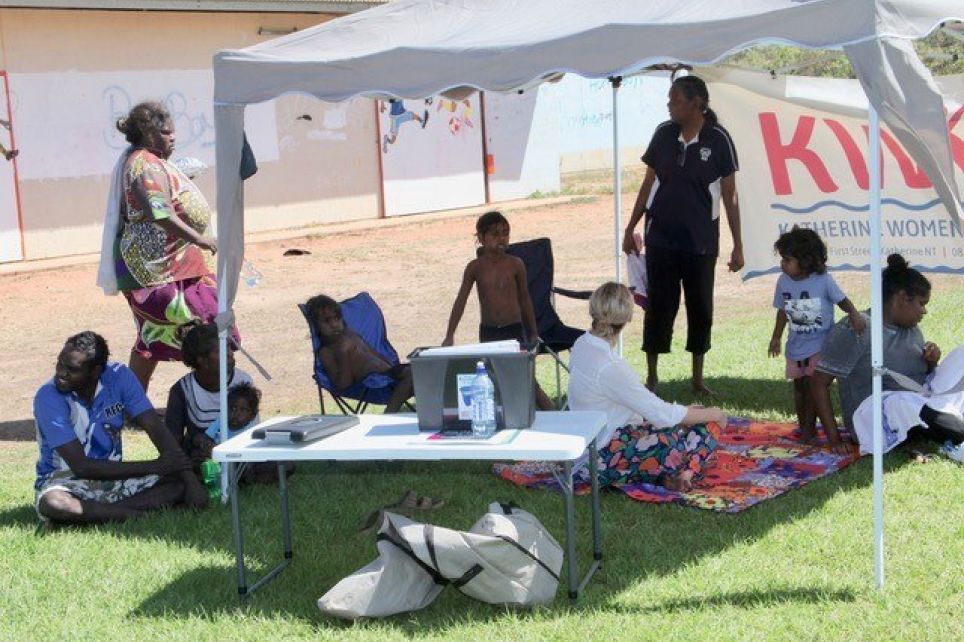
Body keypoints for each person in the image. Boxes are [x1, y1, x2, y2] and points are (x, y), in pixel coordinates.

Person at [97, 100, 237, 393]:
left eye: (173, 132)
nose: (172, 137)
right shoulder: (145, 166)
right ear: (147, 133)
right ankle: (220, 395)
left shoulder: (149, 162)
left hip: (173, 269)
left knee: (152, 336)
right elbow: (159, 213)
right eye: (165, 132)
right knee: (211, 323)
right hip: (157, 273)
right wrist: (200, 239)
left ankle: (136, 405)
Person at [621, 75, 743, 395]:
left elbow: (730, 196)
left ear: (696, 103)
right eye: (669, 99)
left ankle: (698, 379)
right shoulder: (663, 134)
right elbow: (648, 185)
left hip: (701, 242)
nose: (669, 105)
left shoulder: (718, 139)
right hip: (660, 238)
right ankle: (652, 376)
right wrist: (631, 226)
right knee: (660, 308)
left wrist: (737, 246)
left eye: (675, 100)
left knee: (700, 308)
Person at [33, 331, 207, 525]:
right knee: (54, 503)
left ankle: (100, 513)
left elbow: (156, 428)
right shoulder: (48, 397)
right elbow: (81, 467)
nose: (61, 373)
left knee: (179, 483)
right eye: (60, 363)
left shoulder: (119, 377)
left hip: (115, 479)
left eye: (72, 369)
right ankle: (133, 513)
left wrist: (190, 480)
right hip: (64, 481)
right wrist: (157, 466)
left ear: (96, 371)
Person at [568, 283, 727, 491]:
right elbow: (659, 413)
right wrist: (713, 413)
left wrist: (687, 412)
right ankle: (685, 473)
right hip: (598, 457)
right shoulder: (610, 366)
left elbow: (641, 407)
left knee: (685, 422)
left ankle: (667, 476)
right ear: (628, 318)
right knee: (695, 430)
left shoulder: (582, 344)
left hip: (586, 448)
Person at [812, 254, 964, 458]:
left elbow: (920, 376)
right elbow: (818, 383)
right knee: (900, 402)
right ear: (902, 298)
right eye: (921, 303)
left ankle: (947, 422)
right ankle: (954, 429)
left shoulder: (912, 329)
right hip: (876, 415)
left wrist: (931, 362)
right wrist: (834, 439)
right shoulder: (857, 328)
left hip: (920, 398)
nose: (924, 311)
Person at [442, 211, 554, 410]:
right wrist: (450, 334)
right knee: (491, 381)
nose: (501, 238)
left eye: (505, 233)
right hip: (489, 332)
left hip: (514, 331)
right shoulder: (475, 268)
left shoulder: (515, 265)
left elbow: (525, 300)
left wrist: (533, 332)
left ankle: (555, 416)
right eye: (495, 234)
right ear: (481, 238)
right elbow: (461, 301)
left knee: (527, 380)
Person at [767, 227, 866, 451]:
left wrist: (854, 315)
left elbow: (842, 300)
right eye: (782, 259)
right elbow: (782, 310)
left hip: (821, 346)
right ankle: (806, 430)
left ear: (806, 260)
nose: (783, 264)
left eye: (787, 259)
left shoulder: (823, 280)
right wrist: (776, 337)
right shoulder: (783, 281)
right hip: (796, 346)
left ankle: (813, 432)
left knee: (815, 387)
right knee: (800, 388)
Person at [307, 294, 414, 413]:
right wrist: (344, 354)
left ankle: (433, 415)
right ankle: (390, 413)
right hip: (372, 383)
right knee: (413, 375)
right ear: (317, 326)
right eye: (327, 321)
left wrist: (392, 367)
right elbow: (343, 385)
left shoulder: (350, 334)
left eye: (337, 318)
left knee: (426, 371)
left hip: (388, 375)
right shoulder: (326, 352)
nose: (334, 324)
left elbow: (372, 353)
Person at [165, 322, 253, 467]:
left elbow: (252, 431)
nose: (230, 353)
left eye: (229, 347)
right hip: (202, 459)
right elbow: (172, 441)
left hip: (238, 454)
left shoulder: (242, 382)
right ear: (202, 361)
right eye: (221, 350)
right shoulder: (182, 390)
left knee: (283, 464)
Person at [195, 381, 292, 483]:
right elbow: (205, 437)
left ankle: (252, 478)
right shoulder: (221, 422)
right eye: (233, 408)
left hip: (243, 463)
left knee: (287, 465)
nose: (236, 414)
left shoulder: (252, 431)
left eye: (243, 410)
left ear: (253, 415)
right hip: (219, 460)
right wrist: (208, 445)